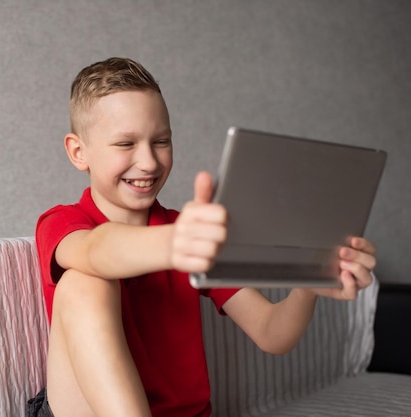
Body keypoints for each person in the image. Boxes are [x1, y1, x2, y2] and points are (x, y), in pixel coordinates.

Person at [26, 57, 376, 417]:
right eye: (126, 144)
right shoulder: (64, 222)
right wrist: (176, 244)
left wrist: (311, 277)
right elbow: (97, 251)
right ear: (78, 152)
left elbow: (273, 335)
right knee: (84, 282)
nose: (148, 161)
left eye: (161, 141)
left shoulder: (186, 233)